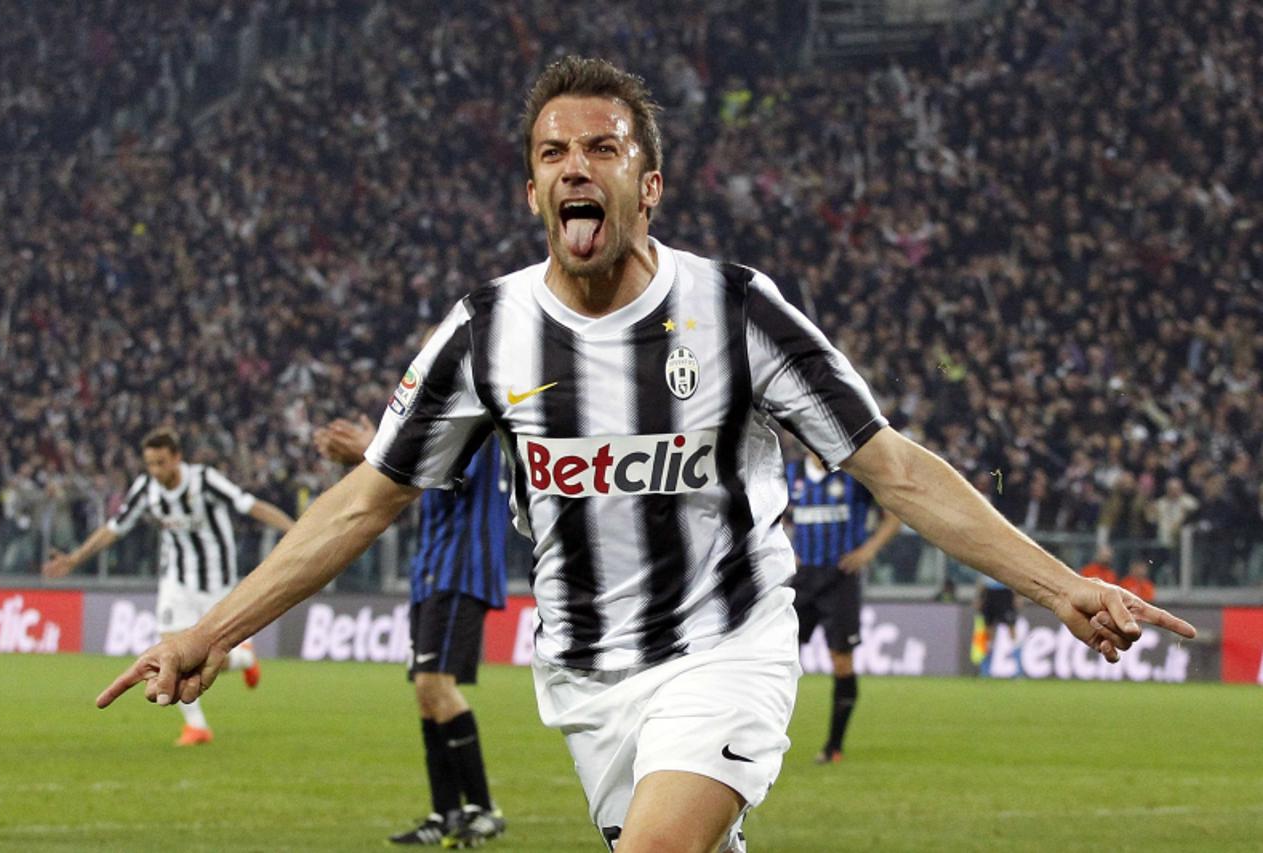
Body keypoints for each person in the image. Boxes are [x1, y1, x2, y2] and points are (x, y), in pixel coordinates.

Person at [97, 57, 1197, 853]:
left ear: (648, 183)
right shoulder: (485, 331)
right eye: (553, 153)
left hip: (727, 645)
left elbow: (892, 466)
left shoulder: (736, 311)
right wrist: (210, 630)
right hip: (586, 678)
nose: (576, 167)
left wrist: (1059, 584)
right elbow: (363, 501)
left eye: (603, 148)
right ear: (532, 190)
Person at [314, 415, 508, 847]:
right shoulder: (443, 423)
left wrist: (374, 451)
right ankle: (445, 812)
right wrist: (379, 451)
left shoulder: (475, 426)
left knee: (435, 685)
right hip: (431, 572)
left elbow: (445, 474)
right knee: (426, 694)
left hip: (460, 570)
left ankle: (482, 809)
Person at [44, 427, 293, 745]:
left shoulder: (204, 480)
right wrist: (75, 558)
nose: (155, 470)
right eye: (150, 464)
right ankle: (197, 727)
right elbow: (115, 527)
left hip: (217, 582)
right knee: (171, 654)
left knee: (209, 657)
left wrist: (296, 531)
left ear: (177, 458)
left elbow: (251, 505)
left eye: (161, 462)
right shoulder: (146, 488)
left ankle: (245, 660)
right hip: (176, 580)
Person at [786, 451, 901, 764]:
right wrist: (783, 547)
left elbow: (893, 515)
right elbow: (771, 514)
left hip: (841, 577)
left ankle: (833, 746)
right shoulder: (792, 474)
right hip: (803, 577)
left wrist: (869, 550)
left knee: (841, 660)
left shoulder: (852, 475)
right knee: (780, 656)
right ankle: (762, 741)